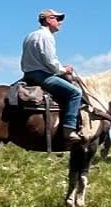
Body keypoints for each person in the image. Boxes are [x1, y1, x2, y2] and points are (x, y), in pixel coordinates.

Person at [20, 8, 83, 142]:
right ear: (48, 20)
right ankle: (69, 129)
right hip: (42, 76)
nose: (60, 22)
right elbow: (50, 61)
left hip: (28, 75)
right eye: (57, 19)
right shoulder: (46, 36)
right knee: (76, 93)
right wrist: (64, 70)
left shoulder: (30, 35)